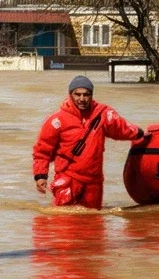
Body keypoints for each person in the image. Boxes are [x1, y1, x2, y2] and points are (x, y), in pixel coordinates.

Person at [32, 75, 148, 209]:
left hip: (94, 182)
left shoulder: (103, 114)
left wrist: (141, 134)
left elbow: (121, 129)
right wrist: (40, 176)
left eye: (86, 95)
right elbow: (42, 150)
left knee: (93, 224)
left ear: (91, 95)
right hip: (68, 179)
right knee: (63, 223)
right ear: (70, 95)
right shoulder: (56, 120)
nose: (82, 99)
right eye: (78, 94)